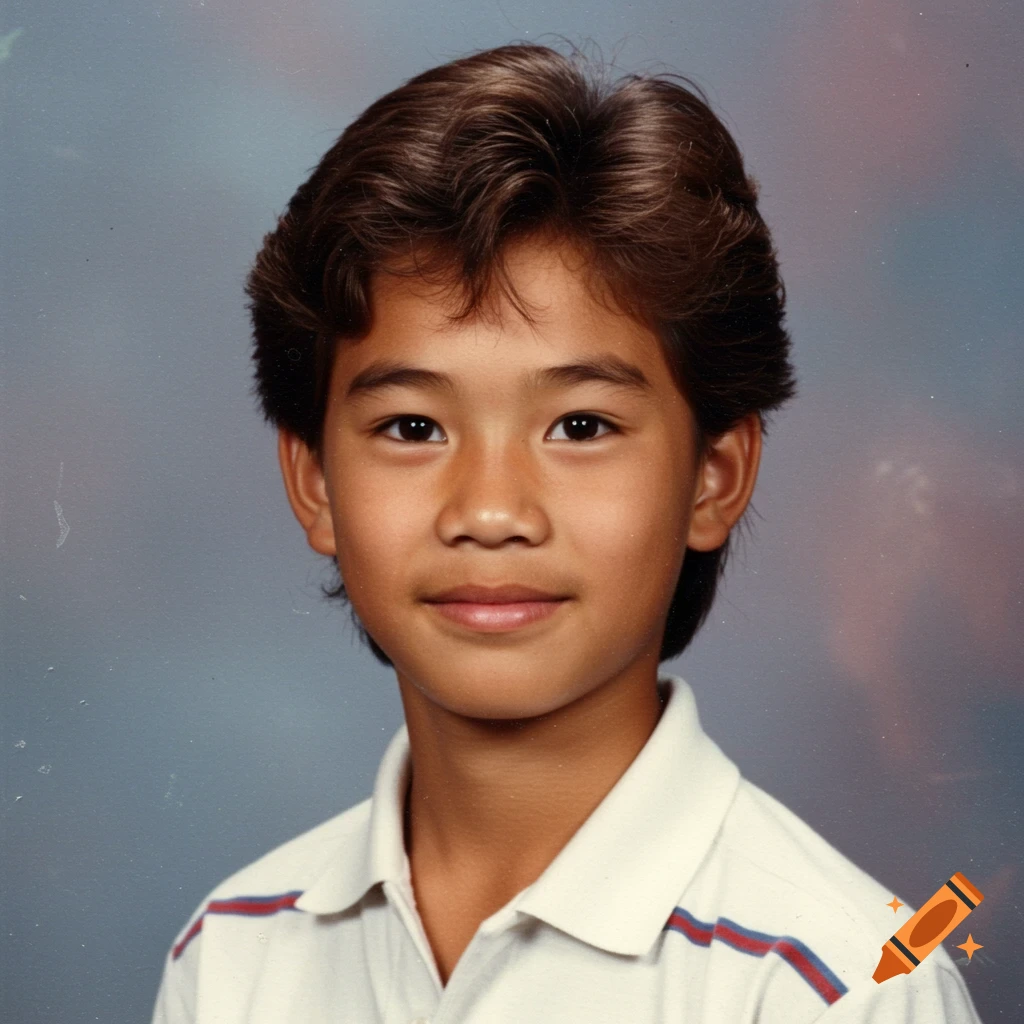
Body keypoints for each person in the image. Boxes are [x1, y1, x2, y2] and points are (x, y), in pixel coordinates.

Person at [151, 42, 982, 1023]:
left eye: (580, 427)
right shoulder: (239, 953)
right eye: (412, 428)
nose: (492, 512)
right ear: (314, 483)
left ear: (714, 475)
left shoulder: (839, 985)